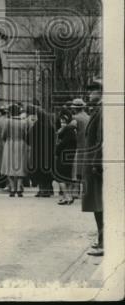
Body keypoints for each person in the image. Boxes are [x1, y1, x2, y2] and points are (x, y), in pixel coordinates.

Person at [80, 79, 103, 256]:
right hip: (93, 164)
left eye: (92, 91)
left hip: (96, 167)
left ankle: (104, 243)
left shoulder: (102, 111)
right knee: (97, 205)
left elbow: (100, 141)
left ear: (100, 92)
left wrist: (95, 163)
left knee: (99, 205)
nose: (89, 95)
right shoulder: (98, 110)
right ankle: (102, 240)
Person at [2, 102, 30, 196]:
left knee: (9, 166)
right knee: (20, 166)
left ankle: (12, 188)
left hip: (10, 144)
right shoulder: (24, 122)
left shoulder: (7, 121)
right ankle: (18, 187)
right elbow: (26, 135)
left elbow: (4, 135)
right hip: (21, 144)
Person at [55, 111, 78, 204]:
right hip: (69, 156)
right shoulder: (72, 130)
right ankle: (67, 196)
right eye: (61, 122)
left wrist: (56, 151)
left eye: (64, 122)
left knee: (59, 177)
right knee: (67, 177)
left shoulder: (67, 130)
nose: (62, 124)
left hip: (63, 156)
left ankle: (67, 196)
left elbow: (62, 144)